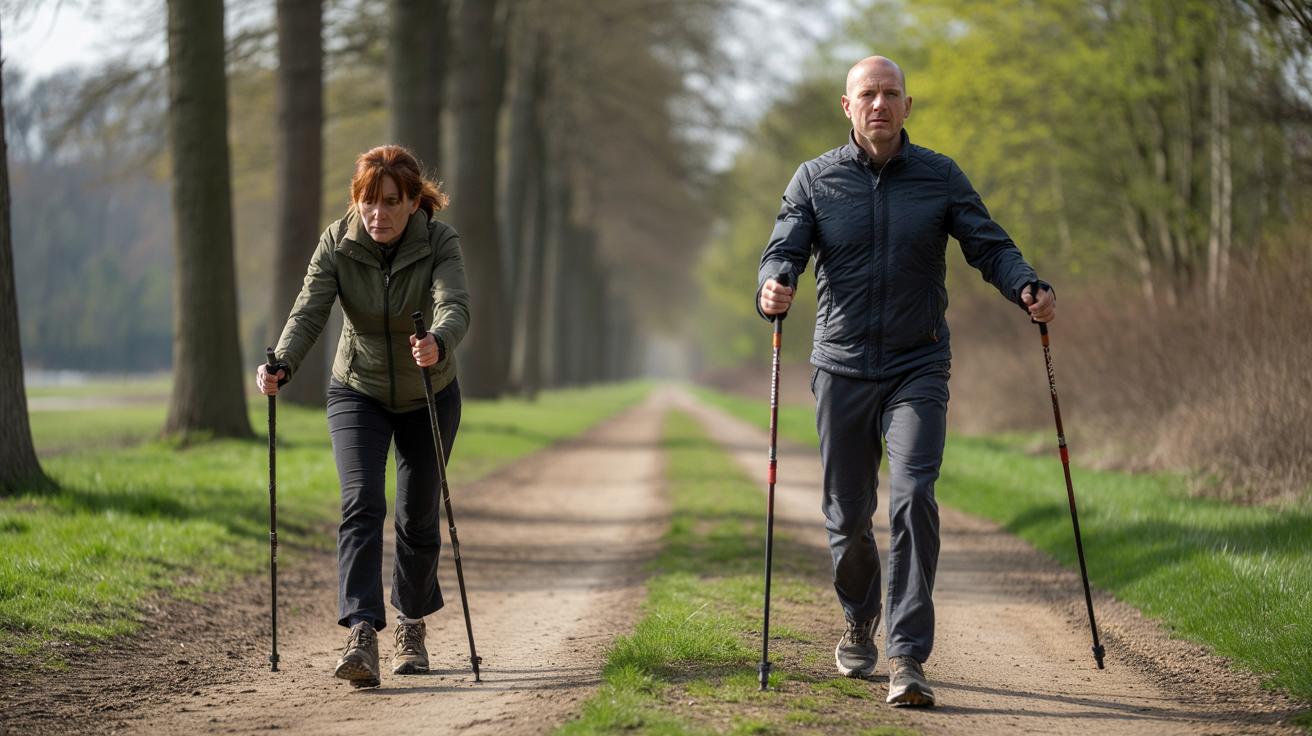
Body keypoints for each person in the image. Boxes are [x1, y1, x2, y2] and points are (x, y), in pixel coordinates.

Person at [756, 56, 1055, 707]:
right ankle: (859, 617)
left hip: (918, 366)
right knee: (848, 518)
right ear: (848, 105)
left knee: (913, 495)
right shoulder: (815, 179)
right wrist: (772, 286)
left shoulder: (939, 176)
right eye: (868, 94)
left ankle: (907, 655)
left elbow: (989, 246)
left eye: (891, 94)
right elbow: (784, 248)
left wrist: (1025, 283)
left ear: (907, 105)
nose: (880, 105)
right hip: (841, 368)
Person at [257, 145, 470, 688]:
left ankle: (411, 624)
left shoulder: (439, 240)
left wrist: (438, 342)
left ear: (412, 200)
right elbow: (310, 310)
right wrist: (281, 362)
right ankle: (360, 632)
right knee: (361, 502)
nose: (378, 214)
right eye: (368, 201)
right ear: (357, 201)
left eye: (391, 201)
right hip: (358, 389)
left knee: (417, 515)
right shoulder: (337, 241)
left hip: (429, 391)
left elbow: (455, 304)